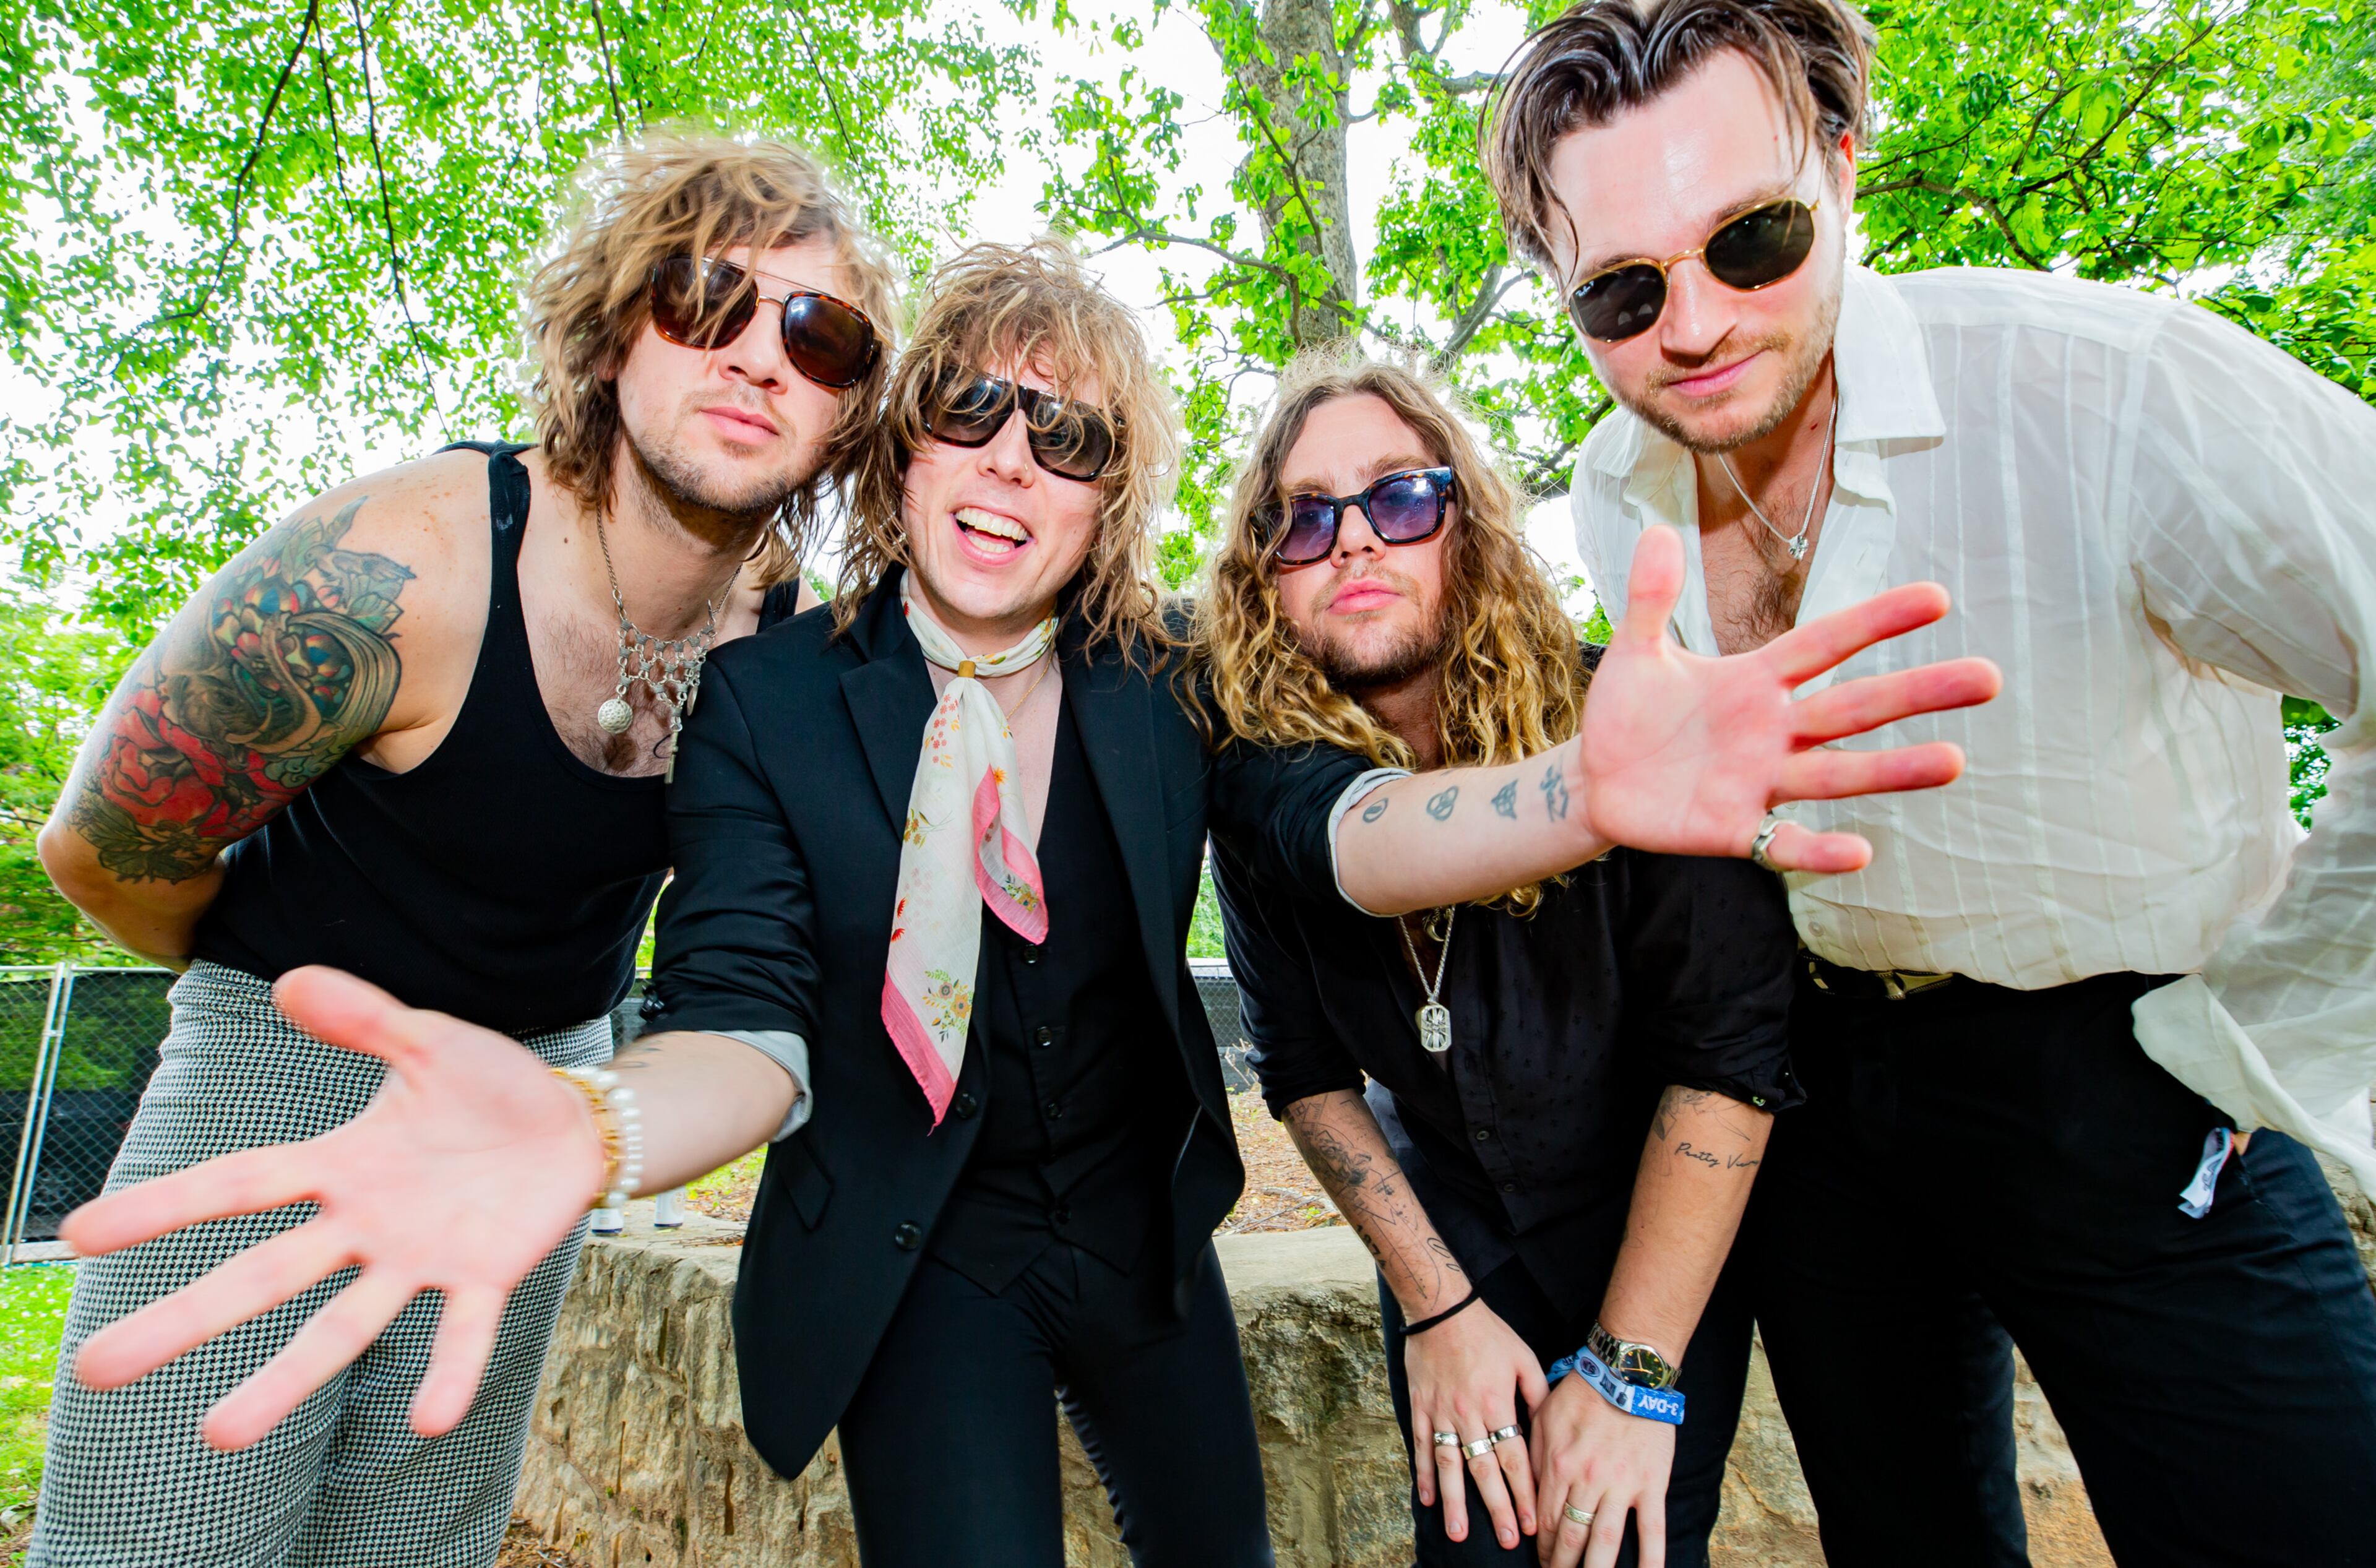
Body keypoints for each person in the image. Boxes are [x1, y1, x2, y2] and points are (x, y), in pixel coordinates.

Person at [55, 238, 1993, 1568]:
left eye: (1066, 438)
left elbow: (1337, 831)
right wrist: (595, 1119)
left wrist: (1580, 793)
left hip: (1142, 1242)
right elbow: (744, 1008)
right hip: (919, 1258)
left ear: (1106, 493)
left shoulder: (1169, 686)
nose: (1011, 461)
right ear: (900, 451)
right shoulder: (765, 695)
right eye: (972, 411)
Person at [1486, 2, 2376, 1563]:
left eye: (1752, 240)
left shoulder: (2111, 388)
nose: (1692, 324)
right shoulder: (1622, 488)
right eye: (1622, 291)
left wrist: (2255, 1035)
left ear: (1841, 166)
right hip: (1830, 1099)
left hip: (2133, 1072)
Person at [28, 132, 895, 1567]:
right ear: (611, 333)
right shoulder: (396, 569)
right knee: (162, 1535)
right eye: (703, 298)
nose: (759, 356)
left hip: (543, 1095)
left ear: (852, 407)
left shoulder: (788, 644)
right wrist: (277, 1004)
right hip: (281, 1065)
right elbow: (103, 847)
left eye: (821, 334)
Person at [1199, 353, 1793, 1568]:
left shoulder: (1628, 722)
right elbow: (1304, 1073)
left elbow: (1731, 1063)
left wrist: (1630, 1373)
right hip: (1450, 1229)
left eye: (1399, 497)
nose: (1353, 539)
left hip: (1655, 1230)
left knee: (1623, 1546)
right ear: (1265, 575)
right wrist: (1440, 1306)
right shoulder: (1259, 782)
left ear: (1464, 525)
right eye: (1302, 518)